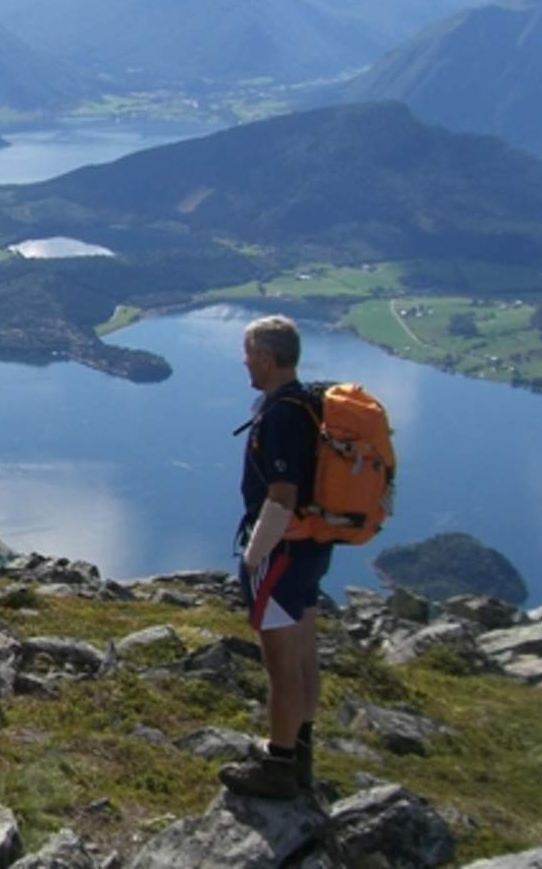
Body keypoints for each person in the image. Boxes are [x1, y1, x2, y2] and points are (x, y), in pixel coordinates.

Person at [221, 314, 330, 799]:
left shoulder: (282, 415)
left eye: (248, 354)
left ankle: (279, 765)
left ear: (265, 358)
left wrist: (253, 556)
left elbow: (282, 496)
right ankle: (300, 752)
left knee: (281, 665)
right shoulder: (308, 404)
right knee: (304, 654)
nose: (245, 362)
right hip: (310, 548)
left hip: (281, 554)